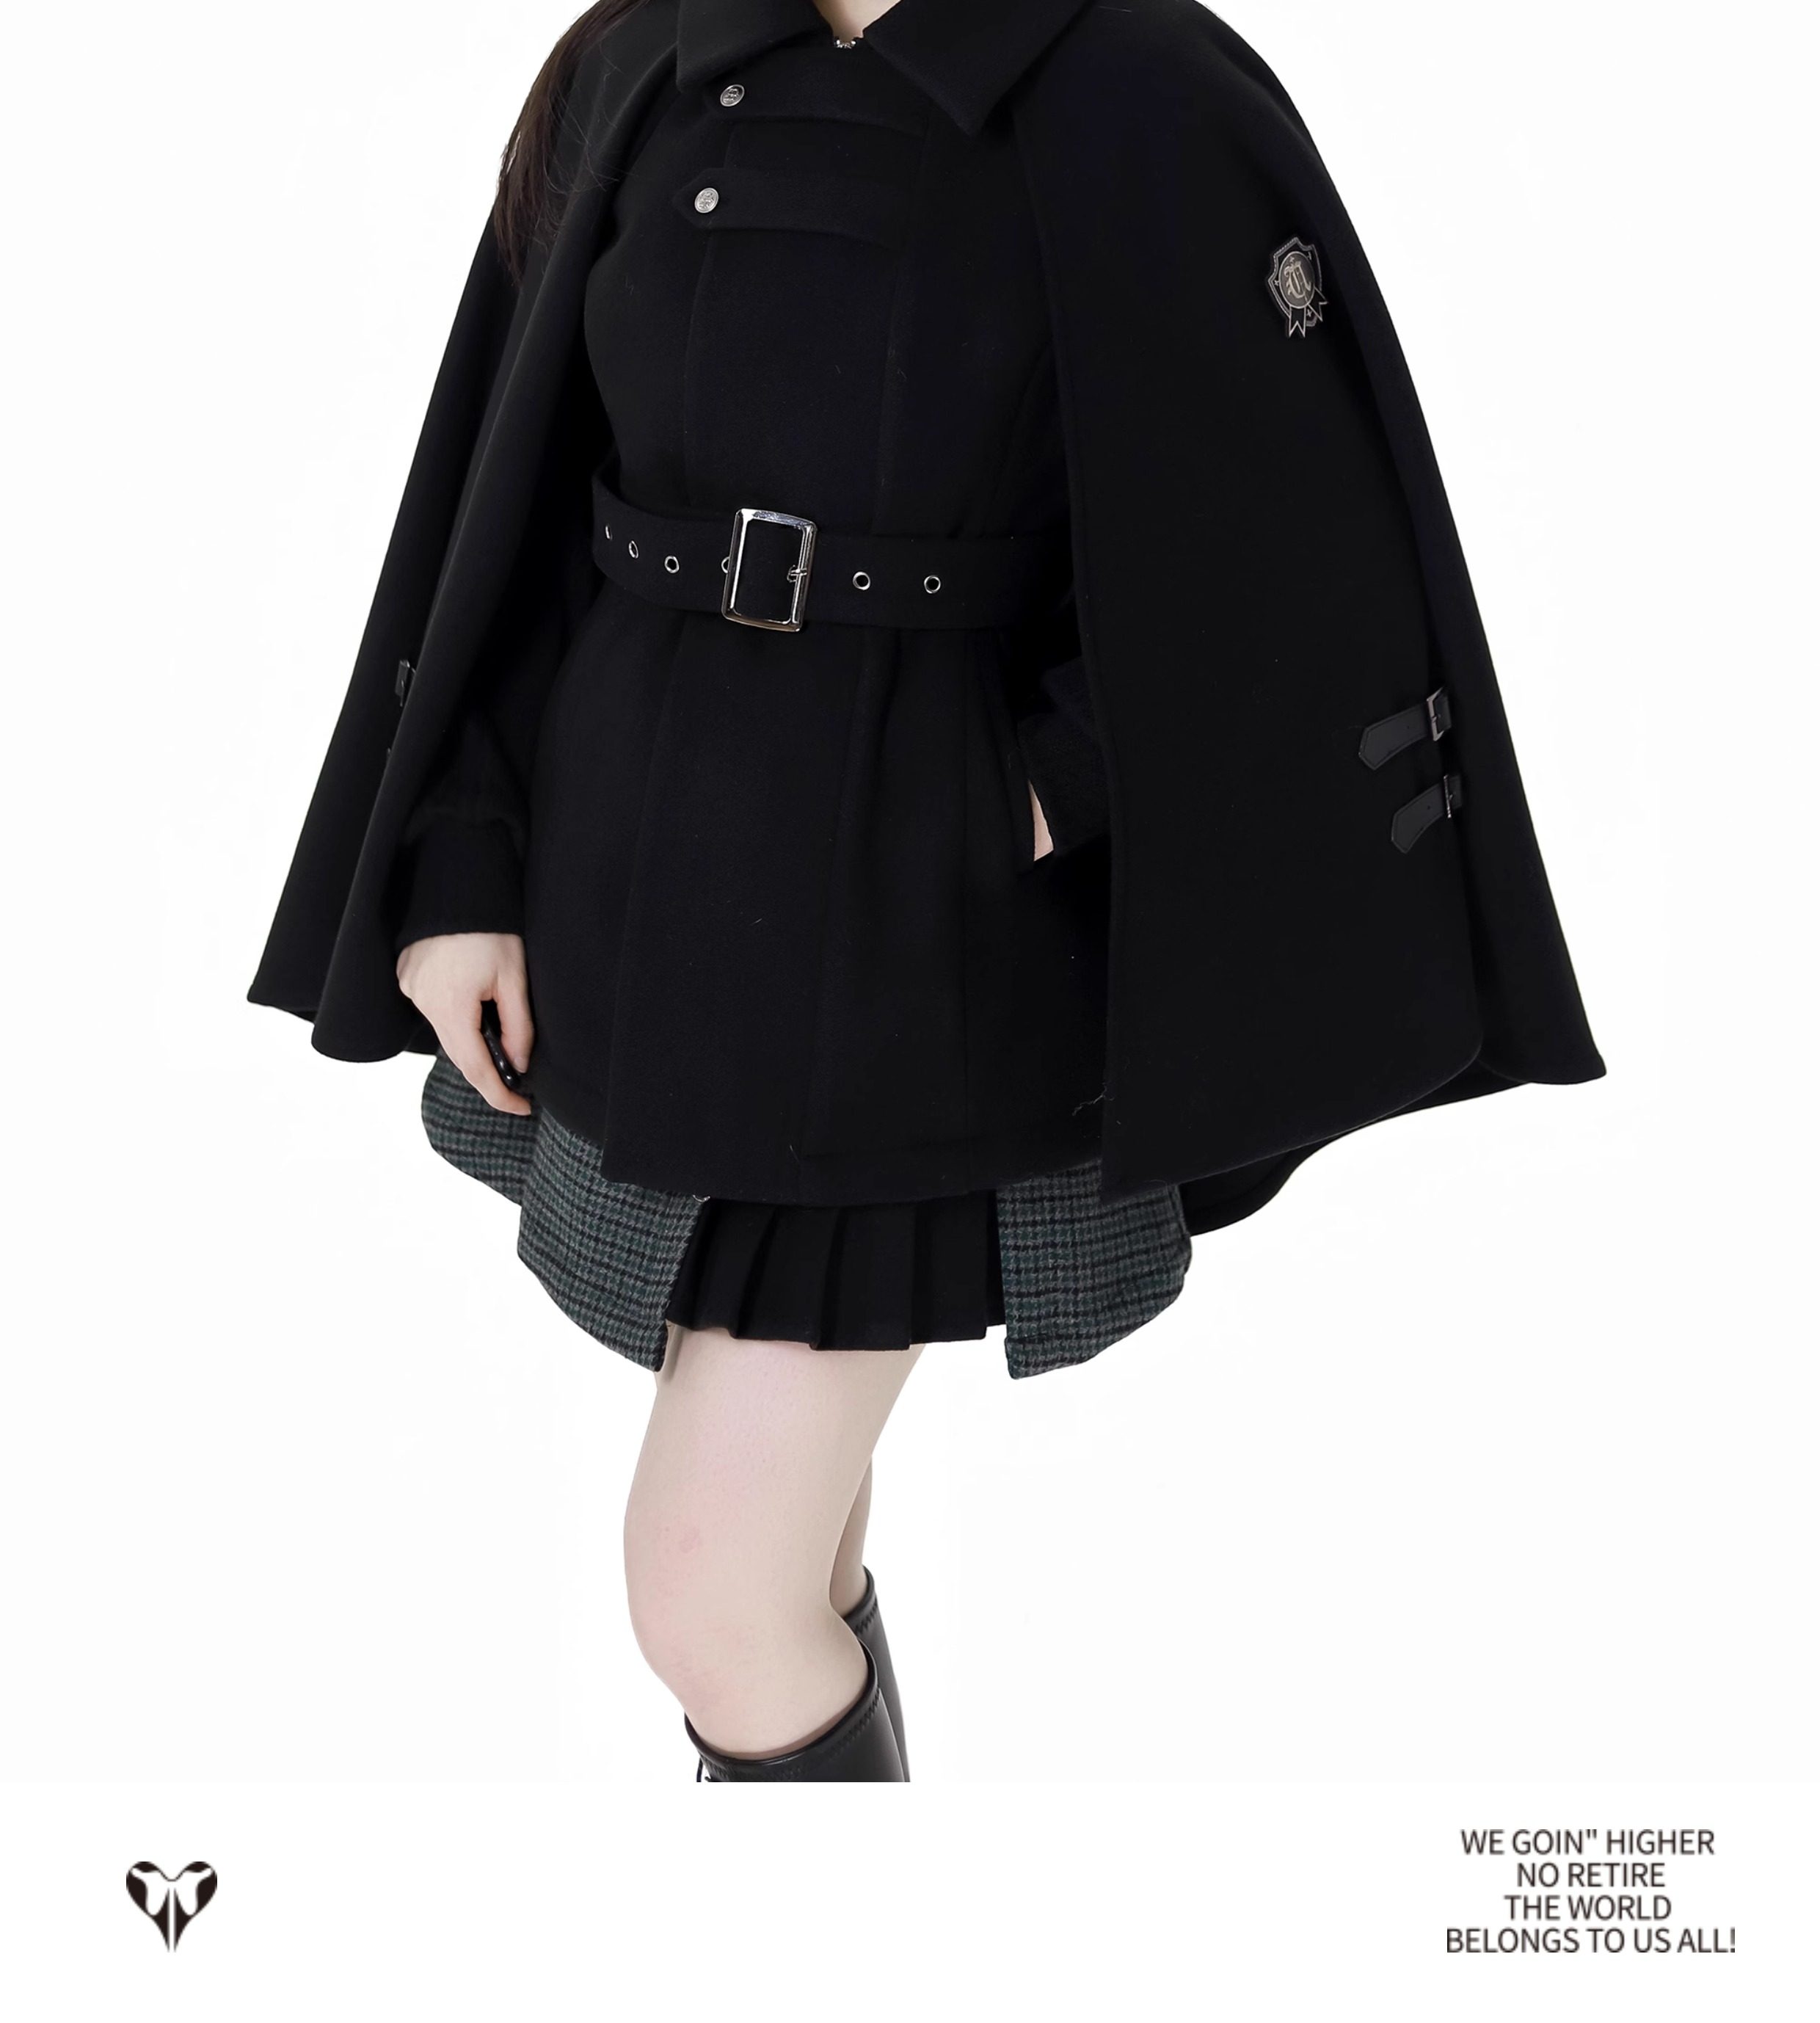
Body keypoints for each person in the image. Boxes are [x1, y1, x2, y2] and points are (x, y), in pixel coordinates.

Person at [250, 0, 1604, 1781]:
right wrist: (460, 859)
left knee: (708, 1595)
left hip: (914, 956)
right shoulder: (642, 57)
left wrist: (1034, 792)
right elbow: (510, 500)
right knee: (779, 1570)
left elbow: (1289, 540)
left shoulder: (1137, 87)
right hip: (638, 899)